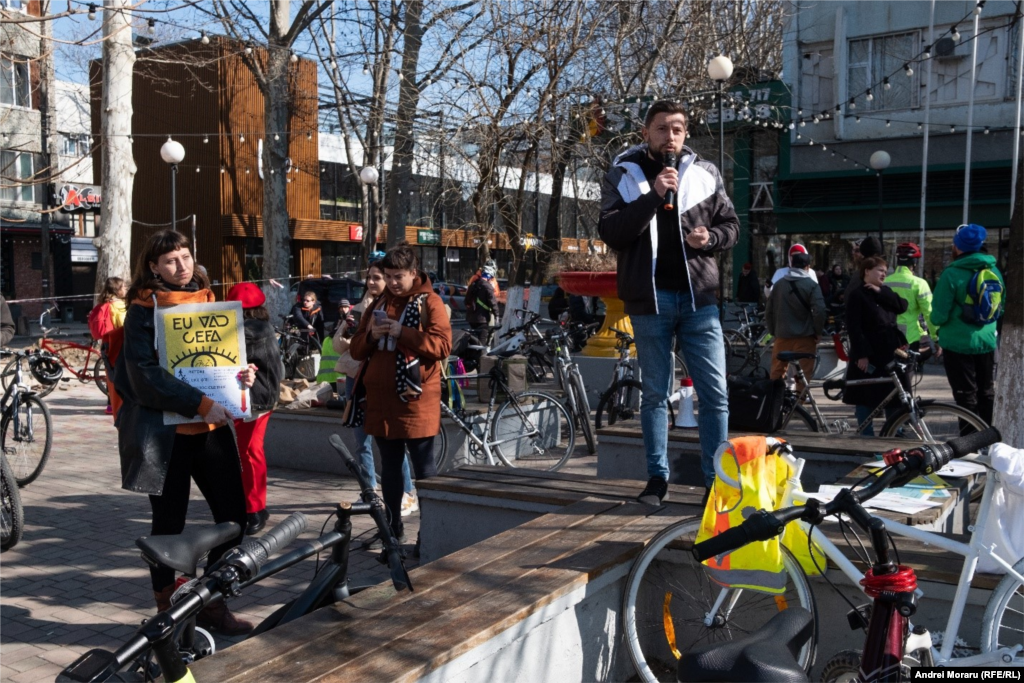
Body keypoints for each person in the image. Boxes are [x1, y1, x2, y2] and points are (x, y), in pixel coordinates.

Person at [113, 229, 256, 634]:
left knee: (235, 519)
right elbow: (143, 376)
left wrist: (241, 378)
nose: (182, 266)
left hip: (211, 430)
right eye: (171, 260)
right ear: (153, 266)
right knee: (167, 528)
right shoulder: (142, 310)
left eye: (186, 256)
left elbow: (226, 361)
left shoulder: (212, 301)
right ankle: (166, 611)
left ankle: (210, 602)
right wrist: (199, 402)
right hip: (166, 437)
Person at [598, 99, 739, 504]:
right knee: (655, 395)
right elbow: (612, 231)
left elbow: (731, 226)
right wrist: (652, 196)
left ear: (686, 133)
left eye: (677, 128)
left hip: (699, 302)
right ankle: (657, 479)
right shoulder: (623, 175)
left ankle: (717, 483)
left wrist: (709, 238)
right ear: (646, 133)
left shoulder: (706, 173)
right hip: (650, 302)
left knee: (715, 394)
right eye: (662, 128)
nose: (670, 136)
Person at [348, 244, 451, 553]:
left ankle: (429, 534)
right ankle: (392, 532)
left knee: (424, 472)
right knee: (390, 470)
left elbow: (442, 346)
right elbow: (355, 350)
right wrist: (372, 336)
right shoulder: (378, 302)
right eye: (389, 276)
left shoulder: (429, 302)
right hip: (381, 403)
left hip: (416, 403)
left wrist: (401, 331)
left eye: (399, 277)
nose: (393, 283)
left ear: (414, 273)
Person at [334, 258, 417, 542]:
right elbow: (340, 345)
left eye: (378, 278)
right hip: (356, 381)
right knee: (362, 443)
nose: (373, 282)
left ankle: (407, 493)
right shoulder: (359, 309)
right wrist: (350, 330)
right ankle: (370, 491)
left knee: (393, 448)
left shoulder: (404, 307)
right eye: (370, 277)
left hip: (384, 386)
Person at [226, 282, 284, 536]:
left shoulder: (249, 329)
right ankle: (254, 506)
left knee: (249, 453)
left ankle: (255, 508)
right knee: (249, 453)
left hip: (254, 399)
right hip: (254, 398)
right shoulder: (261, 326)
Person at [930, 223, 1003, 426]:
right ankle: (990, 440)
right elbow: (1000, 307)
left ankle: (970, 445)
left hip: (957, 344)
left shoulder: (951, 274)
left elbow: (938, 315)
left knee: (965, 397)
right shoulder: (994, 270)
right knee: (987, 392)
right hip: (987, 342)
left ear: (958, 246)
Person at [842, 256, 909, 436]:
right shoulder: (857, 295)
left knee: (893, 393)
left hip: (890, 351)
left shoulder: (884, 291)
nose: (884, 274)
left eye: (885, 271)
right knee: (866, 395)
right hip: (870, 352)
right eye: (880, 270)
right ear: (867, 271)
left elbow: (902, 306)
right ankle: (866, 434)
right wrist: (861, 354)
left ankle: (895, 432)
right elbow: (854, 327)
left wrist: (880, 292)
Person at [765, 251, 825, 392]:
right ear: (807, 267)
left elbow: (769, 311)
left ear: (791, 265)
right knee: (803, 374)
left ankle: (774, 405)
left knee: (777, 373)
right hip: (805, 337)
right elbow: (820, 310)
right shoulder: (811, 285)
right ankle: (799, 406)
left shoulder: (779, 285)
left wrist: (774, 331)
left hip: (782, 335)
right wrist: (818, 331)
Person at [89, 277, 128, 415]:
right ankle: (121, 406)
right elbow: (125, 326)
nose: (126, 289)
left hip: (106, 345)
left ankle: (110, 405)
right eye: (124, 287)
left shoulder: (102, 304)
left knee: (110, 376)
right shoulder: (119, 306)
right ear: (117, 289)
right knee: (123, 376)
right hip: (119, 345)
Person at [886, 243, 933, 353]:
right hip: (911, 337)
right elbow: (929, 313)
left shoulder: (885, 281)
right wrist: (936, 337)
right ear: (915, 263)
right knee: (909, 368)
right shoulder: (919, 283)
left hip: (887, 335)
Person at [465, 263, 498, 342]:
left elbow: (466, 300)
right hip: (482, 319)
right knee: (482, 341)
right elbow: (493, 302)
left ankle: (473, 353)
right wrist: (497, 315)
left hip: (471, 318)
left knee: (474, 340)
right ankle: (481, 353)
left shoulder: (473, 284)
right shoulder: (488, 286)